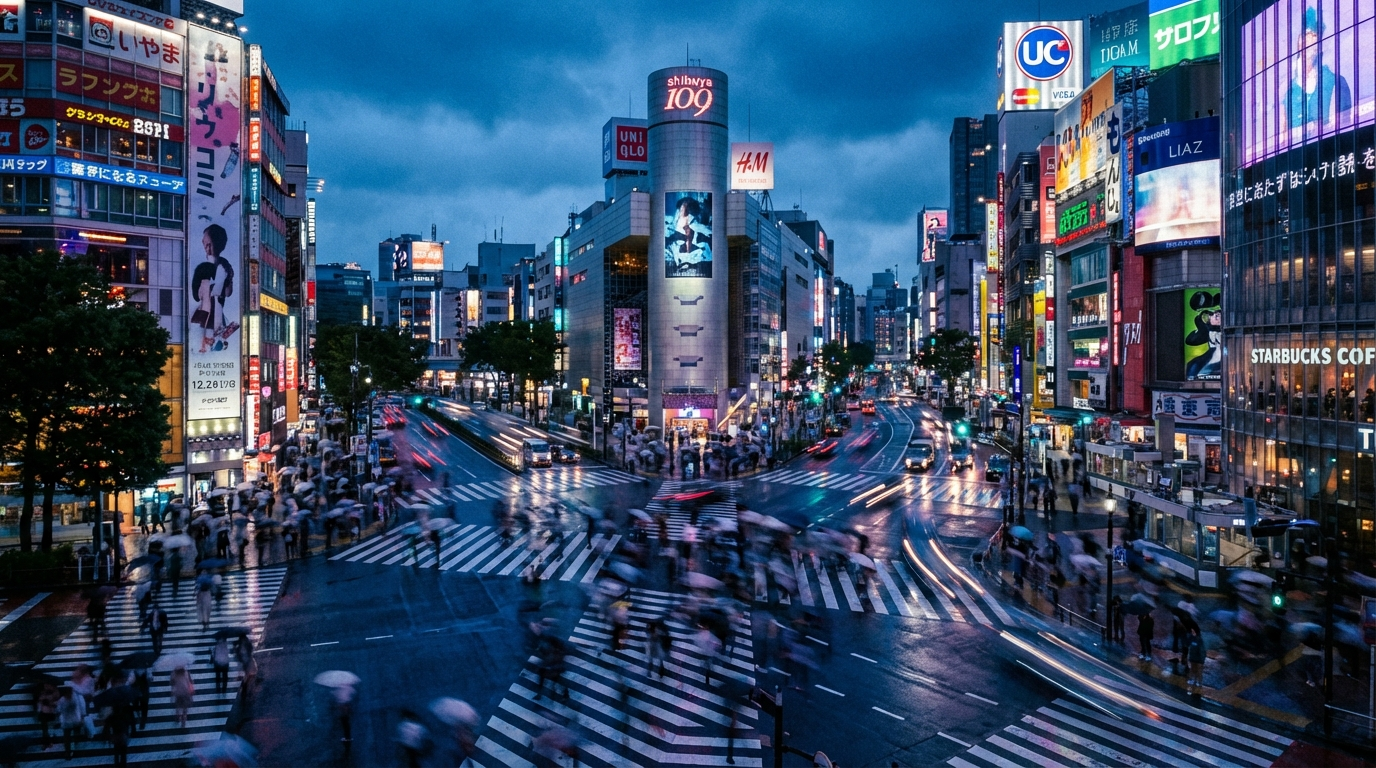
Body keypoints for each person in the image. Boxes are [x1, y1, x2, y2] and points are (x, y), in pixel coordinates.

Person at [56, 685, 86, 758]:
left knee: (68, 737)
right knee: (68, 737)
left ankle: (69, 751)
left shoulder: (62, 700)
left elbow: (58, 710)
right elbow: (82, 707)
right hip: (71, 720)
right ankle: (69, 751)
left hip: (71, 720)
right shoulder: (75, 698)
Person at [1186, 628, 1207, 692]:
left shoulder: (1201, 640)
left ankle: (1199, 682)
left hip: (1199, 658)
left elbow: (1203, 650)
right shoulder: (1191, 638)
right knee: (1192, 669)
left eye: (1193, 631)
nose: (1192, 632)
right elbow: (1188, 645)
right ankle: (1191, 679)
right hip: (1193, 657)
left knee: (1199, 671)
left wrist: (1202, 659)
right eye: (1191, 631)